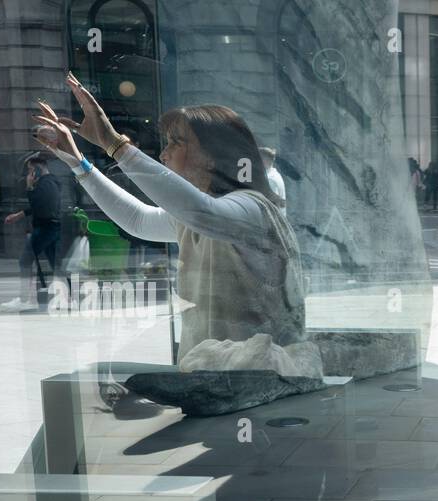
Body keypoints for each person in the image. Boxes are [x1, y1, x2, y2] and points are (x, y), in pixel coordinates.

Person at [33, 72, 304, 358]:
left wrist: (114, 144)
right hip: (215, 376)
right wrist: (80, 164)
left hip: (258, 377)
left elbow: (201, 212)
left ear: (213, 156)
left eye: (176, 143)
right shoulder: (198, 214)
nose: (164, 154)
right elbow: (139, 220)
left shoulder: (253, 210)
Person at [1, 153, 62, 311]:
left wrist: (29, 186)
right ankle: (69, 298)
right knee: (55, 265)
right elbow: (37, 206)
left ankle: (23, 299)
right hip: (49, 228)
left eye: (30, 171)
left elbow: (37, 203)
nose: (29, 174)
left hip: (44, 229)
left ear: (38, 170)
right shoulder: (50, 182)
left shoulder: (45, 184)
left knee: (25, 261)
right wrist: (18, 215)